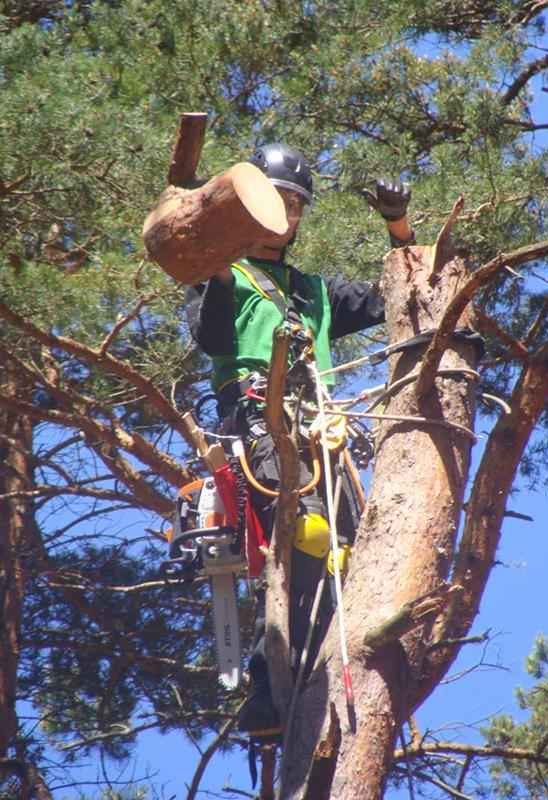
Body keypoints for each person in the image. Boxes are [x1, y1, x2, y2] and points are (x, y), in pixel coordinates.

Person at [184, 143, 413, 744]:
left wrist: (399, 229)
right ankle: (269, 678)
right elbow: (210, 339)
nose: (287, 212)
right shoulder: (224, 276)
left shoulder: (314, 291)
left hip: (322, 425)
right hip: (260, 420)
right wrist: (213, 266)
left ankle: (345, 667)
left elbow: (400, 295)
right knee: (301, 537)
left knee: (354, 548)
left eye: (296, 204)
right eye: (278, 200)